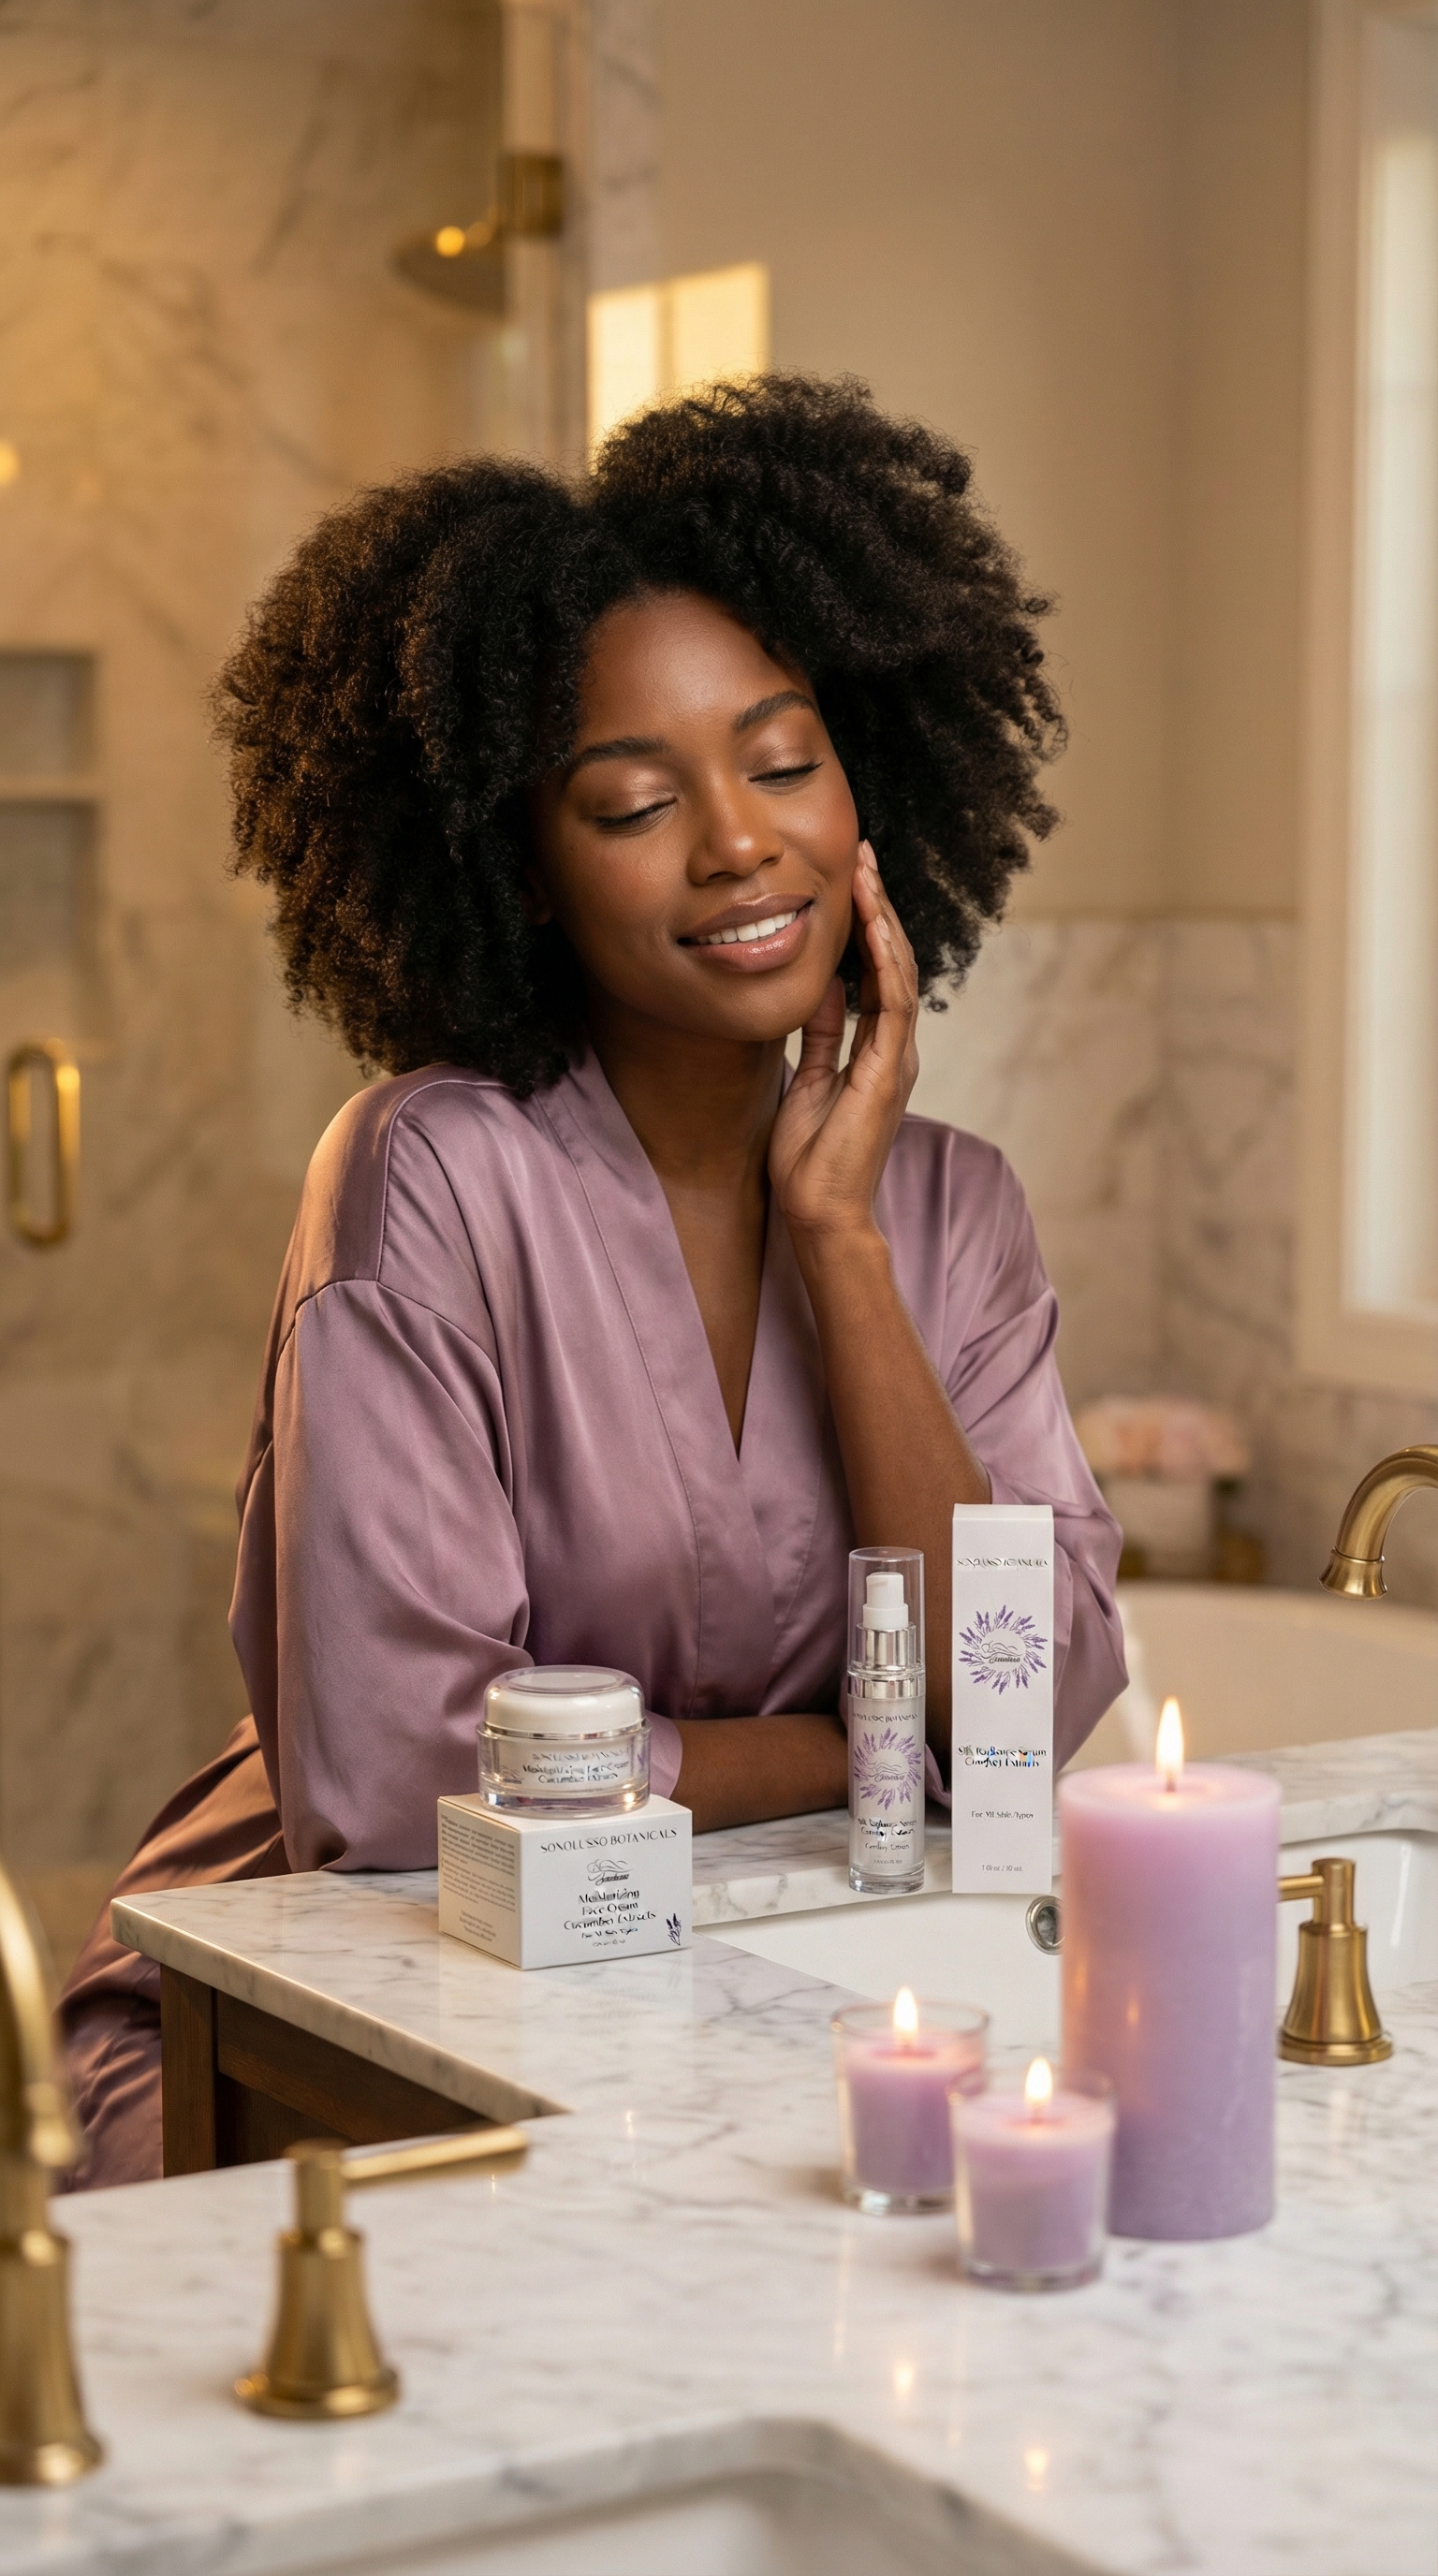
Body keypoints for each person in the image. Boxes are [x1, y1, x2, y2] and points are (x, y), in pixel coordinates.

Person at [60, 375, 1124, 2186]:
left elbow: (1031, 1702)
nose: (739, 842)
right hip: (314, 2011)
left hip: (727, 1991)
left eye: (783, 763)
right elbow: (407, 1785)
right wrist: (866, 1746)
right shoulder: (425, 1177)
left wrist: (843, 1241)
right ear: (524, 870)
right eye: (634, 803)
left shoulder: (951, 1210)